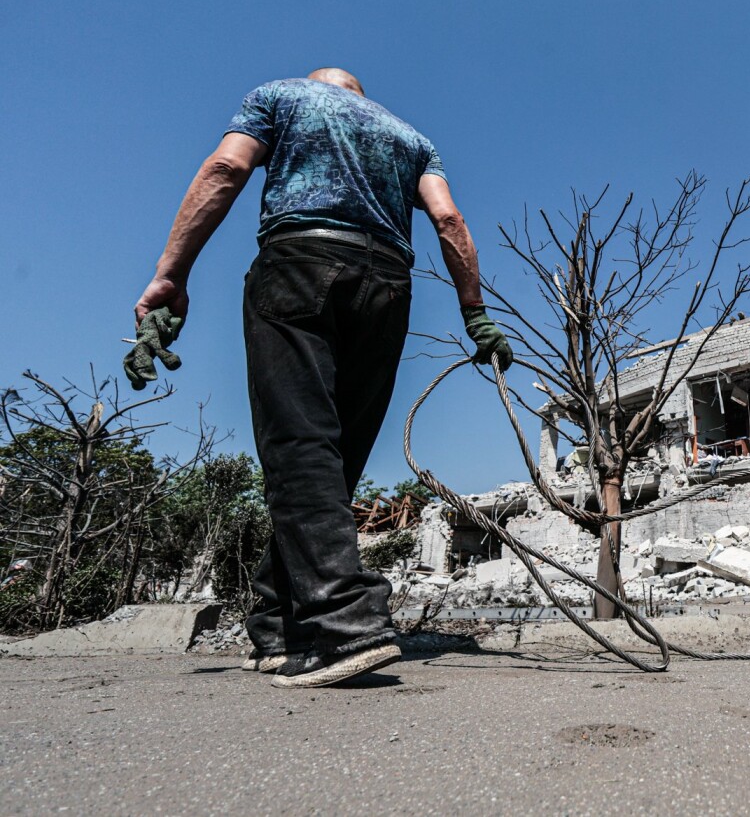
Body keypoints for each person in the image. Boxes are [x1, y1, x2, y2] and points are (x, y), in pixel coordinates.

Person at [132, 68, 512, 688]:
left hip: (300, 265)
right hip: (388, 285)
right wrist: (476, 315)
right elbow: (448, 221)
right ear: (360, 94)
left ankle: (344, 625)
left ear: (322, 86)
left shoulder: (281, 96)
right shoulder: (412, 138)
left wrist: (172, 273)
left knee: (298, 440)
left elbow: (227, 169)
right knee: (333, 460)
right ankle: (281, 626)